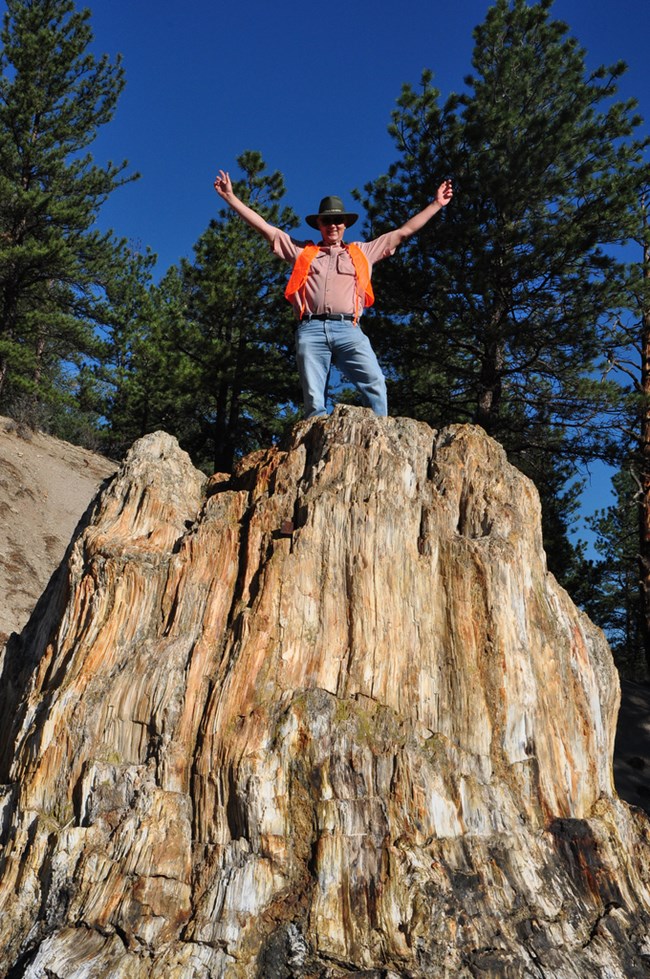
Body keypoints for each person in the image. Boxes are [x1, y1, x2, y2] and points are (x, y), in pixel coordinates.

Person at [214, 169, 453, 418]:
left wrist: (436, 204)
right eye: (327, 221)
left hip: (348, 329)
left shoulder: (362, 252)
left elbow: (403, 232)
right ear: (319, 224)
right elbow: (267, 229)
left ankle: (380, 435)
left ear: (345, 224)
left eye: (338, 221)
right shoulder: (303, 252)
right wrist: (231, 198)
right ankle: (316, 448)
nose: (333, 225)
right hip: (311, 329)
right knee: (314, 402)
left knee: (375, 383)